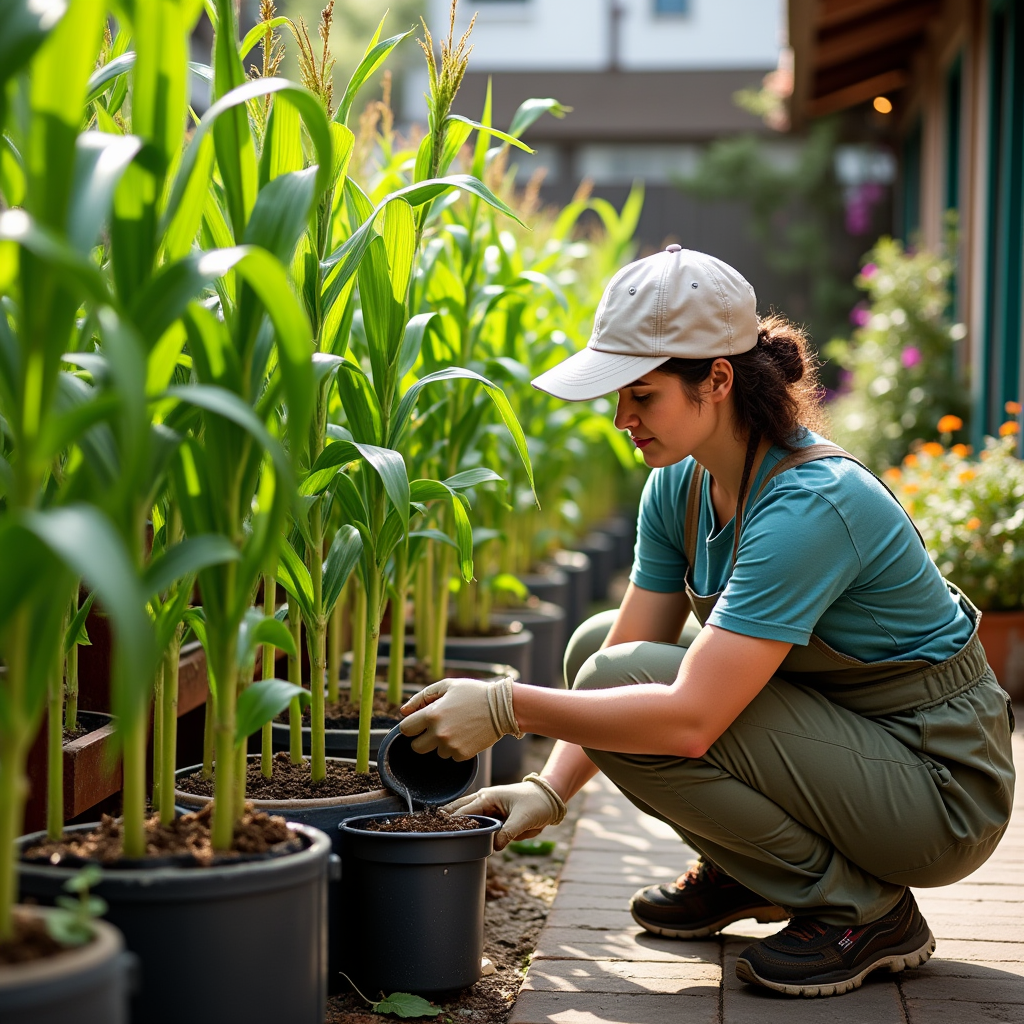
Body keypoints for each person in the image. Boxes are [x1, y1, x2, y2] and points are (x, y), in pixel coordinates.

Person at [399, 246, 1016, 998]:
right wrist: (552, 791)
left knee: (627, 683)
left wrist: (503, 707)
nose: (622, 419)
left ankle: (865, 911)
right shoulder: (680, 488)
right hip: (846, 744)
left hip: (937, 791)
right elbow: (624, 652)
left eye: (642, 395)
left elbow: (690, 721)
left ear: (717, 379)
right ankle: (752, 868)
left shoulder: (812, 505)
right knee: (598, 648)